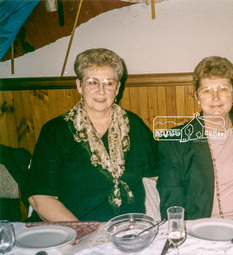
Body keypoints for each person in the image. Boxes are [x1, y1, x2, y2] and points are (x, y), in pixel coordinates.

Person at [25, 48, 158, 222]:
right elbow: (40, 198)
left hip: (130, 232)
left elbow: (159, 172)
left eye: (109, 83)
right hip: (73, 232)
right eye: (92, 82)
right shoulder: (56, 131)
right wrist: (83, 235)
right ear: (79, 86)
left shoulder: (134, 125)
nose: (101, 91)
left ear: (117, 88)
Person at [156, 56, 233, 220]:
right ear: (197, 97)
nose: (215, 97)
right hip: (204, 231)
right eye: (207, 91)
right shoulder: (176, 141)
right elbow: (172, 201)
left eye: (223, 89)